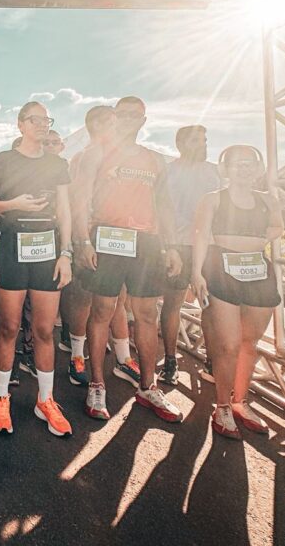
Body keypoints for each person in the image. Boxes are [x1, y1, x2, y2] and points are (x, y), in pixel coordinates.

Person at [74, 97, 184, 423]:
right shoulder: (95, 154)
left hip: (146, 243)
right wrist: (81, 240)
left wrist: (172, 246)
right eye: (122, 115)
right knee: (103, 311)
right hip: (107, 239)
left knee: (147, 313)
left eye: (134, 116)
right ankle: (97, 384)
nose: (127, 120)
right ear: (114, 118)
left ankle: (148, 387)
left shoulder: (153, 159)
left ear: (143, 120)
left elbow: (163, 205)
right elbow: (80, 201)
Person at [0, 102, 74, 437]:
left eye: (46, 120)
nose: (42, 125)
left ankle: (46, 400)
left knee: (43, 330)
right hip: (10, 245)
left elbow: (65, 211)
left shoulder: (58, 163)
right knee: (8, 327)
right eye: (35, 120)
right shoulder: (3, 160)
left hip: (47, 249)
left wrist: (65, 253)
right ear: (21, 123)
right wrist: (14, 205)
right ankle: (1, 396)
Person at [191, 145, 282, 439]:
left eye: (250, 163)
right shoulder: (213, 199)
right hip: (222, 270)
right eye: (237, 163)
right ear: (225, 168)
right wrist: (196, 273)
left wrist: (255, 241)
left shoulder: (269, 201)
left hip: (258, 273)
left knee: (249, 343)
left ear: (258, 168)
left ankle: (240, 402)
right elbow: (201, 235)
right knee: (228, 345)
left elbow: (278, 227)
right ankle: (222, 407)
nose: (244, 169)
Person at [64, 106, 138, 389]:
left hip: (118, 236)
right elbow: (77, 201)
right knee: (83, 298)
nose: (116, 125)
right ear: (95, 125)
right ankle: (77, 355)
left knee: (116, 298)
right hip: (92, 235)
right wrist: (81, 240)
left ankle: (123, 357)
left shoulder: (122, 156)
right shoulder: (84, 156)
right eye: (109, 120)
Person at [159, 125, 219, 385]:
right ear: (180, 143)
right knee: (173, 304)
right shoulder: (168, 172)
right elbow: (163, 212)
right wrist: (169, 246)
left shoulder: (213, 171)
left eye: (205, 139)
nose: (203, 143)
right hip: (179, 245)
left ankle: (212, 360)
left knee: (211, 305)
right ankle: (170, 360)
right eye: (196, 140)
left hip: (210, 247)